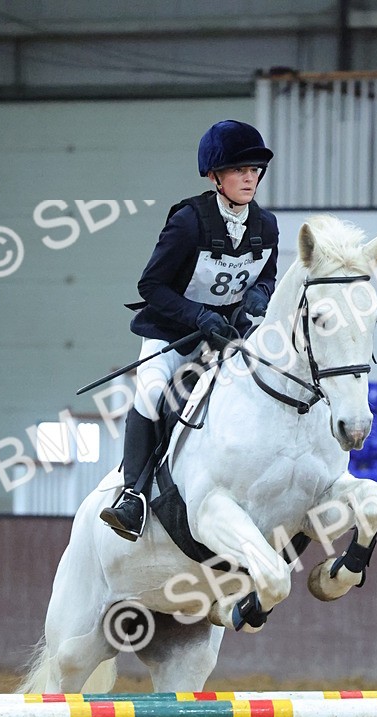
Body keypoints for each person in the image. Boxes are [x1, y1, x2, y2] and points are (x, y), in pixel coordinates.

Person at [100, 119, 279, 540]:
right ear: (215, 177)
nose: (249, 178)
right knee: (151, 394)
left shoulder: (266, 225)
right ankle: (132, 495)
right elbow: (150, 286)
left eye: (254, 170)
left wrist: (261, 294)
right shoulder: (188, 222)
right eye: (239, 170)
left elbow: (269, 274)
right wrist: (198, 316)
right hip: (173, 336)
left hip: (228, 340)